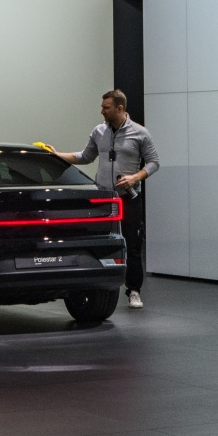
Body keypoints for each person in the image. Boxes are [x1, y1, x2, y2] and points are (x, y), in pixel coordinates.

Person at [46, 90, 160, 311]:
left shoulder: (140, 133)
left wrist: (135, 177)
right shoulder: (99, 132)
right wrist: (57, 155)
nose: (102, 111)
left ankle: (134, 291)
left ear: (119, 108)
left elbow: (154, 162)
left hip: (129, 198)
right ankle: (97, 287)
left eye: (106, 107)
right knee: (98, 242)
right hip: (103, 199)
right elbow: (85, 156)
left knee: (132, 245)